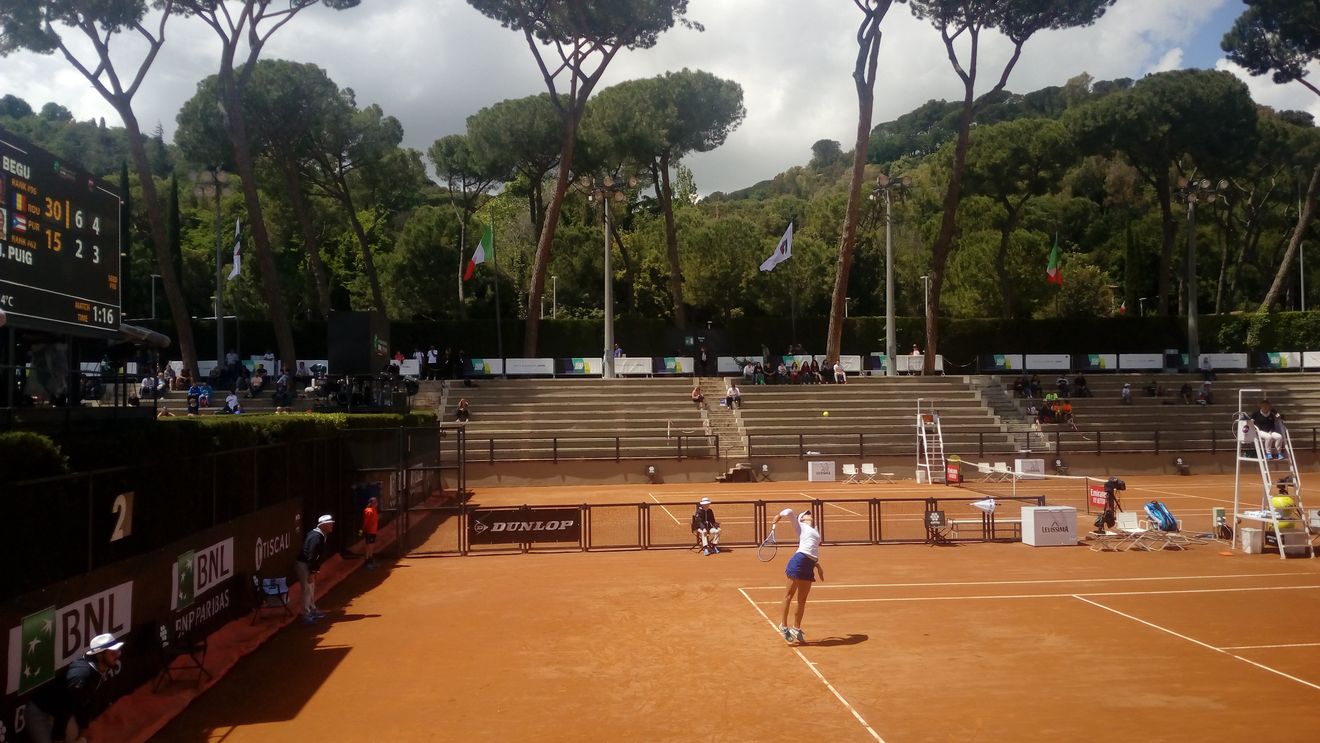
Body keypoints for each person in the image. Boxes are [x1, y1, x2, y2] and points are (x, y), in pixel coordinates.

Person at [24, 632, 124, 743]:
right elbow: (63, 708)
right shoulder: (81, 674)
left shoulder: (99, 672)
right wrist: (58, 739)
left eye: (118, 650)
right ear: (100, 654)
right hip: (40, 711)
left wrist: (82, 737)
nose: (118, 654)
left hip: (61, 713)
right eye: (113, 652)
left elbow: (86, 707)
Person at [771, 507, 823, 645]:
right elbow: (788, 511)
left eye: (810, 514)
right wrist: (778, 515)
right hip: (798, 561)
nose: (809, 515)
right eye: (806, 514)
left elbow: (814, 551)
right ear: (801, 519)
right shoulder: (800, 527)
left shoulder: (816, 531)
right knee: (789, 594)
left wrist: (817, 565)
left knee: (802, 599)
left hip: (809, 565)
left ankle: (796, 628)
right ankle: (783, 625)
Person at [296, 514, 334, 623]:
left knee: (311, 588)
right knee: (307, 589)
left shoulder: (321, 535)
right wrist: (312, 572)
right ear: (323, 525)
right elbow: (311, 556)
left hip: (309, 565)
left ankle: (312, 609)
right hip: (305, 565)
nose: (332, 525)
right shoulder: (316, 537)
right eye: (330, 524)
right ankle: (305, 614)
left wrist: (315, 570)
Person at [362, 496, 380, 569]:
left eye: (376, 502)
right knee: (369, 546)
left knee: (371, 546)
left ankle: (370, 561)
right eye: (375, 502)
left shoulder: (374, 510)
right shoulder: (369, 511)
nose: (376, 503)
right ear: (371, 503)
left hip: (373, 531)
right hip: (369, 531)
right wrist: (363, 529)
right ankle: (367, 562)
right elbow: (365, 522)